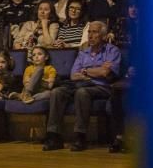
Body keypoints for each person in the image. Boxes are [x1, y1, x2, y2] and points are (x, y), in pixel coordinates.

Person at [42, 21, 121, 152]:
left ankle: (80, 136)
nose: (90, 35)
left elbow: (106, 73)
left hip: (102, 87)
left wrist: (85, 71)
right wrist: (97, 70)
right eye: (89, 32)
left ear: (103, 35)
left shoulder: (112, 50)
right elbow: (73, 75)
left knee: (82, 92)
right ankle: (54, 136)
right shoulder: (84, 52)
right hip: (79, 84)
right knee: (57, 92)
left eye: (94, 32)